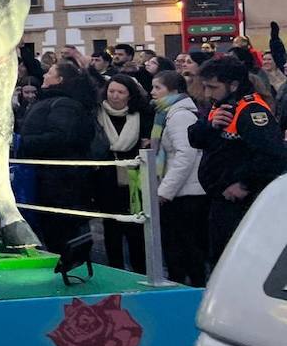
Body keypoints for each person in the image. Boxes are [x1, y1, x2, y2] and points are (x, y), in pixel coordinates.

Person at [189, 56, 287, 267]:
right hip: (218, 197)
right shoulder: (221, 106)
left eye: (212, 87)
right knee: (217, 258)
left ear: (233, 85)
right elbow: (195, 138)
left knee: (234, 262)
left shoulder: (251, 111)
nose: (207, 93)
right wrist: (210, 126)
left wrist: (244, 184)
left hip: (240, 204)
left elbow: (274, 155)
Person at [17, 59, 97, 255]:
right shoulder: (52, 102)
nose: (44, 75)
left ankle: (69, 265)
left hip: (60, 181)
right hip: (52, 178)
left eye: (50, 72)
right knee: (53, 228)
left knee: (61, 230)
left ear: (59, 79)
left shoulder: (65, 105)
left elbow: (60, 138)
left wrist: (21, 142)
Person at [149, 70, 207, 285]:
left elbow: (185, 154)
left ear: (173, 90)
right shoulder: (167, 114)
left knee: (186, 248)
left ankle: (190, 289)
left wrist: (164, 191)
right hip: (180, 191)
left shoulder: (180, 115)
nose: (152, 92)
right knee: (178, 248)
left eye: (158, 87)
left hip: (186, 193)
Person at [92, 73, 152, 273]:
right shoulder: (97, 113)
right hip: (106, 177)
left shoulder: (141, 114)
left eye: (120, 92)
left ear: (130, 95)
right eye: (111, 91)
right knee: (111, 228)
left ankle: (140, 270)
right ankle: (115, 269)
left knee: (135, 229)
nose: (115, 96)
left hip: (134, 178)